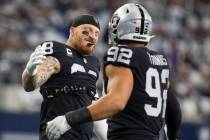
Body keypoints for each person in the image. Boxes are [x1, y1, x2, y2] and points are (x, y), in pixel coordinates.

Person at [45, 3, 182, 140]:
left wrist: (69, 119)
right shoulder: (159, 61)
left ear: (123, 26)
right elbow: (173, 107)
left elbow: (116, 101)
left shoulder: (121, 54)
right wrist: (173, 137)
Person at [22, 14, 101, 140]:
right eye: (87, 30)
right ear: (72, 30)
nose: (93, 36)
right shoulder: (57, 50)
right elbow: (30, 85)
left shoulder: (94, 63)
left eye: (97, 33)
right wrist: (30, 71)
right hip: (58, 135)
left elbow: (93, 105)